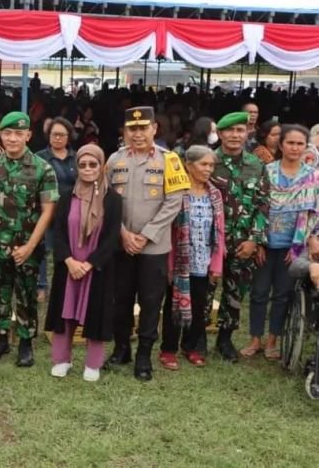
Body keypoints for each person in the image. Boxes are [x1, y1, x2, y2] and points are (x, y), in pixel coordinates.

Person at [105, 106, 189, 381]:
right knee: (121, 300)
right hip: (122, 245)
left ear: (154, 128)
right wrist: (123, 234)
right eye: (133, 129)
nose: (138, 134)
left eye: (143, 128)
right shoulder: (114, 160)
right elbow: (105, 201)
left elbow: (174, 201)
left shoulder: (171, 160)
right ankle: (121, 349)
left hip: (153, 247)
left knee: (151, 302)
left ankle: (143, 356)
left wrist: (146, 235)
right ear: (125, 131)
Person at [0, 111, 58, 367]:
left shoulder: (42, 168)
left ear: (28, 135)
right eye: (7, 133)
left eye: (18, 133)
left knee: (26, 295)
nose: (12, 138)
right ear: (0, 135)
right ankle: (2, 338)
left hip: (28, 245)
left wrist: (30, 246)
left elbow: (48, 210)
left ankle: (26, 343)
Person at [46, 144, 122, 382]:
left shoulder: (113, 199)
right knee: (64, 313)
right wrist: (69, 261)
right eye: (82, 165)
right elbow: (57, 232)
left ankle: (93, 363)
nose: (87, 169)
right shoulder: (68, 195)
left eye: (93, 164)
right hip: (69, 266)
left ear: (102, 167)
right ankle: (61, 359)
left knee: (95, 313)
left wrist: (88, 264)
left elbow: (111, 238)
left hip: (95, 268)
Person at [244, 125, 319, 360]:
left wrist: (301, 246)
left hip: (294, 247)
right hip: (266, 244)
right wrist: (259, 242)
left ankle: (272, 342)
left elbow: (315, 213)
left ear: (305, 146)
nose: (295, 148)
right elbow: (256, 207)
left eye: (300, 144)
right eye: (290, 143)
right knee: (259, 293)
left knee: (282, 295)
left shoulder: (312, 176)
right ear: (281, 144)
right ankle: (255, 339)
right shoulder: (267, 172)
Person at [207, 111, 269, 362]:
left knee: (235, 294)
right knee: (205, 291)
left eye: (240, 130)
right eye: (229, 131)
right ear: (220, 133)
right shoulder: (208, 161)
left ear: (247, 134)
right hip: (211, 241)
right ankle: (196, 338)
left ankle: (225, 340)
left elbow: (263, 205)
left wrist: (254, 240)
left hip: (243, 243)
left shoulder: (257, 165)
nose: (235, 135)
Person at [159, 146, 225, 370]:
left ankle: (191, 347)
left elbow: (220, 230)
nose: (208, 169)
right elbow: (168, 230)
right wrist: (169, 265)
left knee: (199, 307)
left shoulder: (214, 194)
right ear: (188, 165)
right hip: (179, 261)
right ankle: (168, 349)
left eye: (211, 165)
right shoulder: (177, 192)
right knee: (173, 307)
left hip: (204, 260)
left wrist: (216, 264)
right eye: (204, 164)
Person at [36, 117, 79, 303]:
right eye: (54, 135)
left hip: (71, 213)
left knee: (69, 251)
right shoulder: (39, 158)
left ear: (69, 137)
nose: (58, 138)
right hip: (46, 211)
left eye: (62, 135)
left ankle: (68, 286)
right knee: (43, 250)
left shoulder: (77, 158)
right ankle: (41, 287)